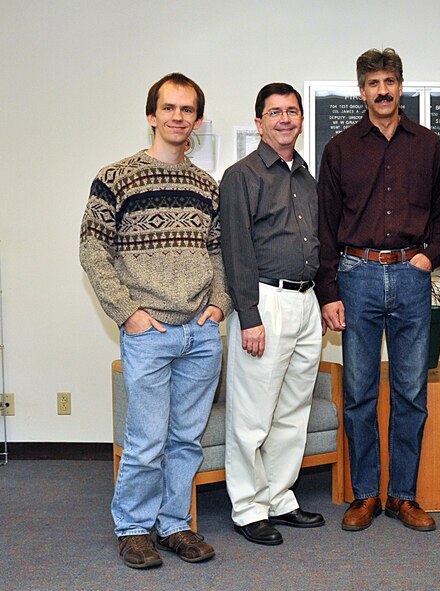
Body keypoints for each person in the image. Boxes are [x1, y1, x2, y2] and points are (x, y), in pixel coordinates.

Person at [79, 73, 231, 568]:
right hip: (150, 332)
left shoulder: (206, 186)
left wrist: (219, 306)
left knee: (186, 439)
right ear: (152, 115)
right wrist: (129, 313)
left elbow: (220, 252)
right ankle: (133, 528)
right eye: (169, 108)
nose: (178, 117)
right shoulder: (115, 177)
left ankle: (173, 525)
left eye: (187, 110)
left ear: (197, 121)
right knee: (145, 441)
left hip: (201, 332)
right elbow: (93, 250)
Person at [316, 48, 440, 532]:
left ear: (401, 86)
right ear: (361, 91)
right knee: (358, 393)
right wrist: (329, 291)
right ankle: (365, 495)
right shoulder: (339, 148)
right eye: (373, 83)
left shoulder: (428, 144)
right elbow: (326, 226)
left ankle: (403, 496)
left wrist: (429, 257)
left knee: (410, 393)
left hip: (411, 277)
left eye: (390, 81)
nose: (382, 90)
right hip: (356, 276)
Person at [219, 83, 325, 546]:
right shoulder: (241, 175)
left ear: (301, 119)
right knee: (252, 415)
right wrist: (250, 316)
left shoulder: (306, 176)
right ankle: (247, 507)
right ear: (259, 121)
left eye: (292, 111)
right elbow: (236, 250)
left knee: (292, 411)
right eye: (275, 112)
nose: (285, 119)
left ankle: (280, 497)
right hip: (265, 302)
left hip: (307, 303)